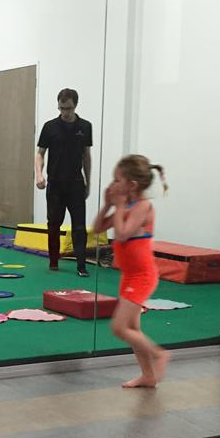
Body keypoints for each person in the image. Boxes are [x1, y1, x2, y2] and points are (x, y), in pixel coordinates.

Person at [93, 154, 170, 388]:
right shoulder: (125, 206)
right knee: (133, 328)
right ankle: (148, 375)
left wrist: (117, 207)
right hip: (129, 275)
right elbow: (97, 228)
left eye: (117, 180)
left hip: (142, 276)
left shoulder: (143, 206)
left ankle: (159, 354)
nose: (113, 185)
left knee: (119, 327)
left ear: (132, 185)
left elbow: (123, 233)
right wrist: (108, 205)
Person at [35, 88, 92, 277]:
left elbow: (86, 156)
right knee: (54, 223)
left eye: (68, 108)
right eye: (61, 108)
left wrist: (88, 182)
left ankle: (81, 266)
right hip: (55, 183)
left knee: (79, 227)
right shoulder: (50, 127)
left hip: (76, 183)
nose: (65, 112)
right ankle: (53, 262)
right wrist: (39, 175)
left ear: (75, 106)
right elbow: (40, 153)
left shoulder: (85, 127)